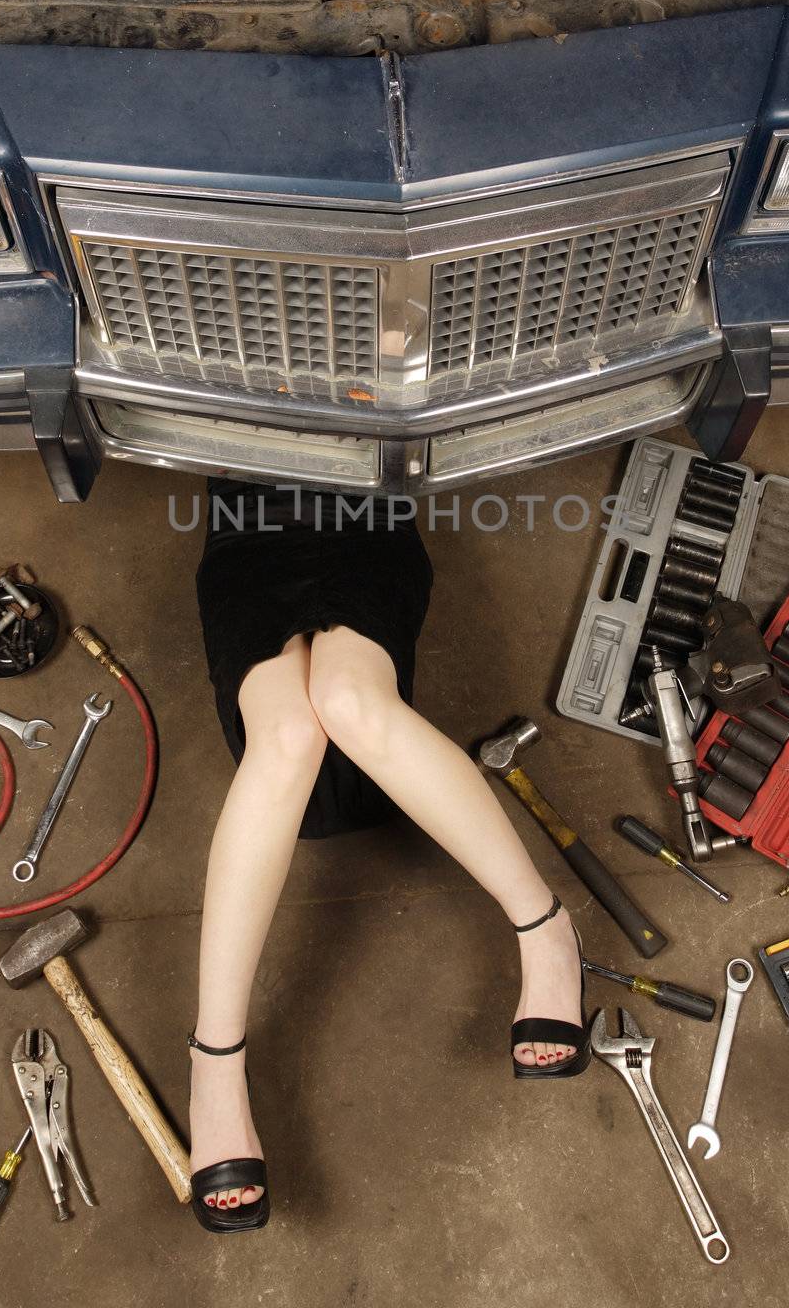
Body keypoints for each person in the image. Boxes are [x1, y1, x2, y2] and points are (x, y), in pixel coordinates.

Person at [190, 480, 589, 1233]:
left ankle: (545, 927)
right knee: (286, 740)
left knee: (346, 702)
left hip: (366, 508)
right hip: (244, 525)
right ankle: (213, 1061)